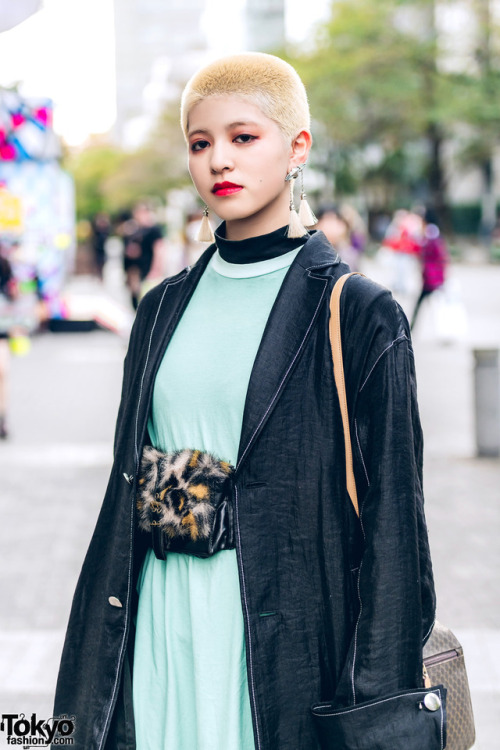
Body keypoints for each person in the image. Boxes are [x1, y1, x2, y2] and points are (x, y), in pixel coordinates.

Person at [54, 53, 442, 750]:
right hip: (159, 629)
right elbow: (126, 492)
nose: (218, 161)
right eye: (200, 144)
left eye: (243, 137)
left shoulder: (357, 311)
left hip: (281, 651)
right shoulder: (161, 308)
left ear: (298, 148)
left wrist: (380, 712)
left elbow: (396, 531)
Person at [411, 209, 449, 330]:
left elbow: (436, 256)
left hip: (432, 278)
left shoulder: (430, 235)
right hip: (432, 277)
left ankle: (411, 327)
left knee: (432, 306)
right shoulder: (431, 234)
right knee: (431, 305)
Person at [123, 201, 165, 310]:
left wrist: (156, 269)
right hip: (135, 269)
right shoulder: (135, 229)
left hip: (147, 267)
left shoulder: (154, 230)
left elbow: (159, 250)